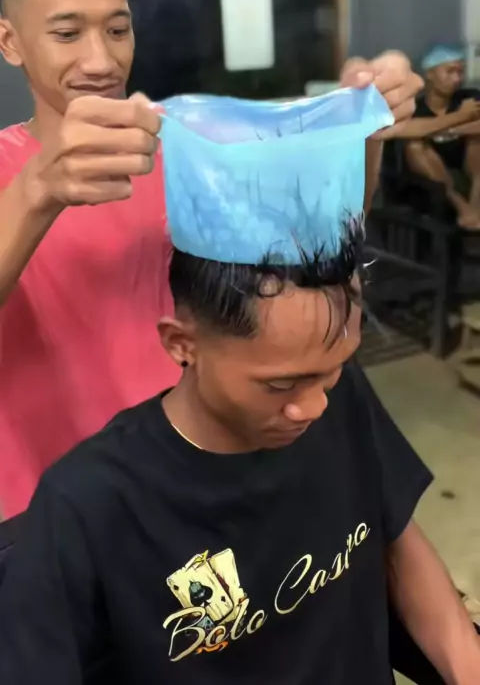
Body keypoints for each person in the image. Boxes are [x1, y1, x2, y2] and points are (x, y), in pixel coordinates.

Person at [0, 0, 421, 520]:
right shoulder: (10, 172)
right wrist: (38, 190)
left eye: (116, 29)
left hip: (198, 474)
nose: (100, 61)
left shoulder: (186, 141)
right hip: (53, 508)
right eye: (67, 34)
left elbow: (316, 247)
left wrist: (365, 126)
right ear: (10, 41)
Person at [1, 239, 479, 684]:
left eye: (334, 369)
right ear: (182, 344)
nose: (314, 406)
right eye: (281, 385)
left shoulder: (340, 398)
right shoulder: (89, 505)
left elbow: (396, 542)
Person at [403, 46, 480, 229]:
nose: (457, 79)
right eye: (450, 71)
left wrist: (448, 131)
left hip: (468, 165)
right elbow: (406, 130)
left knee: (477, 139)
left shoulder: (469, 98)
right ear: (430, 74)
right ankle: (462, 207)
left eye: (460, 72)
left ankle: (475, 206)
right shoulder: (414, 108)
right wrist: (461, 118)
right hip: (432, 174)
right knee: (414, 146)